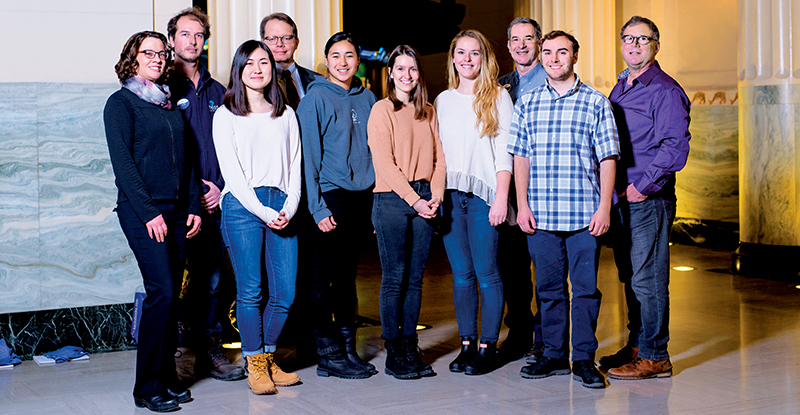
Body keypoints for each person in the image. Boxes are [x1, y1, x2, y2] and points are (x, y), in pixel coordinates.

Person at [510, 30, 619, 389]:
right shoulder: (528, 102)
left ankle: (583, 358)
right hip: (540, 215)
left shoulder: (595, 102)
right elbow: (520, 157)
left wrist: (604, 207)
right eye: (548, 52)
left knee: (585, 289)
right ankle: (554, 355)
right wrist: (521, 204)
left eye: (562, 52)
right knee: (549, 290)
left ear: (575, 56)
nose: (554, 59)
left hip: (584, 215)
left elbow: (607, 158)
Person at [104, 30, 202, 412]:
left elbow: (189, 160)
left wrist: (193, 205)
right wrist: (150, 213)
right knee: (161, 291)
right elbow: (124, 167)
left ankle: (166, 378)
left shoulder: (167, 105)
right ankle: (146, 387)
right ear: (133, 57)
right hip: (144, 210)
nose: (158, 59)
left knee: (170, 296)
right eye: (150, 53)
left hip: (179, 211)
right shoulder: (121, 104)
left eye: (162, 53)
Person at [601, 16, 691, 380]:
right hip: (622, 198)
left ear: (656, 45)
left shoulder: (666, 90)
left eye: (643, 39)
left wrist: (642, 187)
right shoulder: (623, 85)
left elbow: (675, 149)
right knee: (630, 277)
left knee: (648, 279)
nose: (634, 45)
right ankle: (637, 345)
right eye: (628, 38)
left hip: (647, 199)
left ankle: (656, 356)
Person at [213, 40, 302, 395]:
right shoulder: (226, 115)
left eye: (263, 62)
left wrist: (288, 208)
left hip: (282, 204)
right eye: (248, 63)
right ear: (239, 69)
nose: (257, 69)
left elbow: (295, 166)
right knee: (251, 291)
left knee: (285, 293)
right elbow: (232, 176)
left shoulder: (287, 115)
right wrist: (264, 211)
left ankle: (266, 357)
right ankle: (255, 363)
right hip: (242, 207)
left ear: (272, 68)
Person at [165, 6, 244, 382]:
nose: (193, 41)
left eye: (199, 35)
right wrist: (196, 193)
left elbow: (235, 145)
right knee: (173, 283)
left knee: (213, 281)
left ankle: (209, 352)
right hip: (180, 205)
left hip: (217, 204)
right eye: (185, 34)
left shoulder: (220, 91)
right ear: (172, 40)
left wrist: (222, 189)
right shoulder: (162, 89)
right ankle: (176, 356)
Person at [297, 32, 378, 380]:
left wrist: (375, 203)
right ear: (326, 61)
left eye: (349, 56)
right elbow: (307, 159)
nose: (343, 62)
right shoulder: (314, 99)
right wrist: (317, 208)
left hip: (362, 199)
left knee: (348, 279)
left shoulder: (369, 97)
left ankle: (348, 349)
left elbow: (377, 151)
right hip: (330, 198)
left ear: (357, 61)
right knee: (321, 280)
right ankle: (327, 351)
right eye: (335, 56)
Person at [435, 29, 513, 376]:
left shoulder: (497, 96)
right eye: (461, 53)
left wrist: (501, 198)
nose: (467, 59)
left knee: (486, 273)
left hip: (485, 199)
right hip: (452, 197)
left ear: (485, 58)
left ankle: (487, 345)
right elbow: (438, 156)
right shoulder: (442, 100)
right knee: (461, 276)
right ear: (453, 57)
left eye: (475, 53)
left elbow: (505, 154)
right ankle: (467, 344)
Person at [367, 45, 445, 380]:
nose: (406, 75)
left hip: (426, 197)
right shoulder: (381, 110)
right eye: (400, 69)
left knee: (415, 279)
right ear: (390, 74)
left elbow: (441, 159)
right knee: (395, 277)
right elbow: (384, 163)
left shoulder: (428, 110)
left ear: (419, 73)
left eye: (412, 69)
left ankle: (410, 342)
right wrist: (415, 200)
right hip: (392, 199)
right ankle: (393, 349)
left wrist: (436, 196)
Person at [496, 16, 548, 364]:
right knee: (512, 269)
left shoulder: (555, 82)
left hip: (546, 189)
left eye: (527, 38)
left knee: (547, 269)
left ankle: (547, 338)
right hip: (510, 194)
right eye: (515, 39)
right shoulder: (500, 87)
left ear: (539, 42)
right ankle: (519, 333)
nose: (520, 45)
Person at [260, 12, 323, 109]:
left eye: (287, 38)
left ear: (296, 43)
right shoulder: (256, 83)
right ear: (263, 44)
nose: (280, 44)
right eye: (272, 39)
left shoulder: (319, 81)